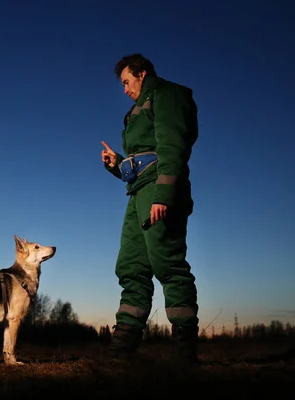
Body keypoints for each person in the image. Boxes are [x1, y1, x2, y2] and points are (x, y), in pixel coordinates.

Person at [101, 53, 200, 363]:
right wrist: (117, 163)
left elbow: (171, 146)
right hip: (138, 193)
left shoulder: (168, 95)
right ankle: (122, 350)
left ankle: (185, 352)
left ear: (142, 74)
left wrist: (163, 194)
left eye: (127, 81)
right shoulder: (135, 111)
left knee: (168, 263)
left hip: (159, 190)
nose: (125, 89)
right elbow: (139, 163)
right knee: (131, 267)